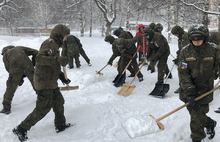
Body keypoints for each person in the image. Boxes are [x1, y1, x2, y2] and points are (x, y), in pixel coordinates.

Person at [12, 24, 72, 142]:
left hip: (51, 81)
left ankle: (60, 125)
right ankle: (21, 128)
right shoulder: (49, 43)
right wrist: (57, 59)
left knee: (59, 102)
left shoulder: (55, 45)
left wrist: (62, 77)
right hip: (44, 82)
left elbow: (53, 66)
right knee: (43, 108)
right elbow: (39, 59)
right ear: (59, 35)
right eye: (65, 36)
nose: (66, 39)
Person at [178, 25, 219, 142]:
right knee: (195, 114)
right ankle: (210, 123)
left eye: (199, 39)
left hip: (205, 90)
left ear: (205, 38)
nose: (196, 42)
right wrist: (190, 91)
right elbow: (183, 73)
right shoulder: (185, 51)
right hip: (188, 90)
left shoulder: (214, 50)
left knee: (196, 118)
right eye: (193, 40)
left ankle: (197, 139)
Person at [0, 46, 38, 115]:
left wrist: (18, 79)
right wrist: (33, 62)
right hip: (27, 64)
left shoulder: (5, 56)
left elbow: (9, 69)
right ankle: (43, 98)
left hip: (15, 67)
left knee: (11, 86)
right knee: (35, 81)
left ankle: (6, 107)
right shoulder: (19, 48)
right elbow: (35, 52)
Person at [171, 25, 190, 93]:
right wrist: (178, 54)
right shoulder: (181, 37)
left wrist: (180, 58)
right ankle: (182, 86)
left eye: (176, 34)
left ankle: (184, 87)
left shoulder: (186, 37)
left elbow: (186, 49)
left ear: (178, 32)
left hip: (188, 59)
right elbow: (181, 49)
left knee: (183, 71)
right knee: (182, 71)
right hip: (184, 58)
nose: (175, 35)